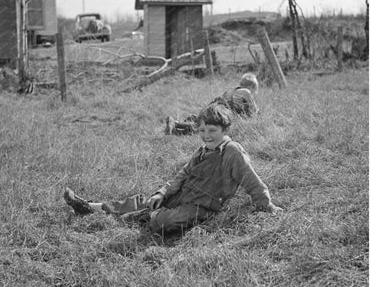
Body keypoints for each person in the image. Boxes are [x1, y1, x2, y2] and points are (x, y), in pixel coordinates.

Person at [64, 102, 282, 235]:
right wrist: (163, 192)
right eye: (202, 130)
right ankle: (89, 206)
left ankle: (143, 217)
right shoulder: (202, 150)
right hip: (181, 195)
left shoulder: (232, 151)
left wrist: (266, 204)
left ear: (225, 129)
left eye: (212, 130)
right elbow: (183, 174)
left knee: (163, 220)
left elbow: (251, 180)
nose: (206, 135)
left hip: (202, 207)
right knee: (144, 201)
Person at [165, 72, 259, 135]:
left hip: (214, 106)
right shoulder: (247, 91)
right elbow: (254, 110)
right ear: (252, 87)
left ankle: (176, 129)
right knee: (206, 128)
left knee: (202, 125)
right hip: (222, 111)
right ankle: (176, 124)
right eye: (255, 90)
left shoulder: (230, 90)